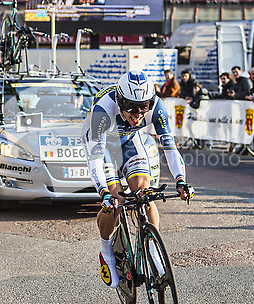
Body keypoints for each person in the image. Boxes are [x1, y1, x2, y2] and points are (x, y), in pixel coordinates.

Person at [81, 70, 194, 288]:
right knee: (117, 199)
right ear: (120, 100)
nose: (138, 113)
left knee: (144, 192)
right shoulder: (103, 110)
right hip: (101, 145)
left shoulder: (156, 106)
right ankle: (106, 252)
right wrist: (104, 192)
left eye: (144, 107)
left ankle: (153, 250)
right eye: (131, 107)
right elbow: (95, 158)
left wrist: (181, 179)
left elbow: (170, 148)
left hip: (129, 142)